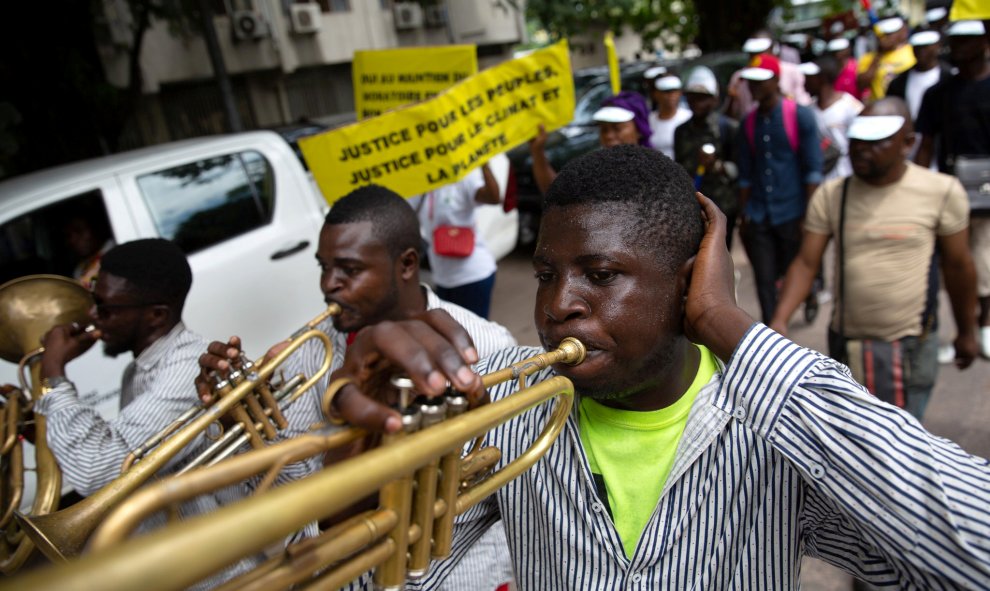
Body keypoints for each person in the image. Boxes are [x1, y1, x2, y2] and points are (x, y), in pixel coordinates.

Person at [325, 145, 990, 590]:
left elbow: (971, 552)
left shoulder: (772, 422)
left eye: (601, 274)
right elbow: (384, 580)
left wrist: (731, 326)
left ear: (686, 286)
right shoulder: (514, 395)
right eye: (548, 273)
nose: (557, 306)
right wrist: (361, 460)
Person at [196, 185, 517, 591]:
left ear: (406, 264)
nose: (329, 285)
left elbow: (504, 503)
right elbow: (293, 484)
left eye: (348, 270)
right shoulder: (308, 352)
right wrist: (237, 422)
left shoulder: (487, 347)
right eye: (323, 267)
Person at [35, 238, 261, 589]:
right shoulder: (138, 371)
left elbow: (101, 467)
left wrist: (53, 372)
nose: (92, 316)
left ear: (156, 314)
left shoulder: (188, 367)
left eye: (105, 308)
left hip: (219, 573)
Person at [769, 100, 978, 420]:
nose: (862, 151)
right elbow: (806, 263)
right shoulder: (833, 194)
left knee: (903, 445)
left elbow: (958, 266)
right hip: (848, 346)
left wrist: (967, 331)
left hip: (912, 347)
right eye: (857, 142)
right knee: (853, 442)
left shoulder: (941, 191)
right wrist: (781, 320)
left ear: (908, 144)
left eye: (876, 142)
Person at [915, 19, 990, 359]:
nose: (956, 49)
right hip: (951, 189)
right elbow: (926, 143)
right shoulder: (939, 93)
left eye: (965, 42)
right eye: (953, 42)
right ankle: (964, 327)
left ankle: (984, 324)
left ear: (983, 43)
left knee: (984, 258)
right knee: (954, 263)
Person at [735, 53, 823, 324]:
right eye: (751, 82)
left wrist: (809, 216)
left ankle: (809, 295)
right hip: (760, 212)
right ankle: (773, 333)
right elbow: (746, 174)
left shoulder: (799, 116)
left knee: (794, 269)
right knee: (764, 277)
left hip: (792, 210)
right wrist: (744, 215)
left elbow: (813, 170)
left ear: (776, 81)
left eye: (761, 82)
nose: (755, 88)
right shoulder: (748, 123)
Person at [411, 162, 502, 319]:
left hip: (473, 276)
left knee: (475, 337)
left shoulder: (464, 176)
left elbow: (493, 197)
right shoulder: (419, 184)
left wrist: (484, 164)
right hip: (442, 278)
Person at [529, 90, 651, 195]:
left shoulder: (654, 169)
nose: (608, 135)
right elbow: (556, 193)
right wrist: (537, 151)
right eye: (604, 129)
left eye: (617, 128)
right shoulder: (594, 169)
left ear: (639, 129)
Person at [673, 66, 739, 249]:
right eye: (692, 97)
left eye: (703, 97)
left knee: (719, 253)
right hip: (693, 206)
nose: (696, 102)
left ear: (714, 99)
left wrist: (716, 165)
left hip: (722, 206)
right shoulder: (681, 131)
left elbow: (740, 169)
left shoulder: (727, 128)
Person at [800, 56, 864, 180]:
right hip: (819, 176)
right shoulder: (808, 110)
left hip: (845, 174)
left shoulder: (851, 107)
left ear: (822, 79)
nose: (804, 84)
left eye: (808, 79)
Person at [726, 32, 811, 120]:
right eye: (752, 53)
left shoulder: (792, 71)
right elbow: (732, 114)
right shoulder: (739, 77)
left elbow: (803, 105)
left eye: (761, 52)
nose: (757, 58)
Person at [886, 30, 951, 123]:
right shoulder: (899, 82)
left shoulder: (949, 75)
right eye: (917, 47)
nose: (921, 51)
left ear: (937, 46)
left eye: (925, 47)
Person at [856, 16, 916, 101]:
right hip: (881, 108)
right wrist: (878, 55)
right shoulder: (868, 58)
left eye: (889, 34)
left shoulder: (913, 51)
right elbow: (861, 85)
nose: (885, 38)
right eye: (882, 35)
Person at [648, 74, 692, 159]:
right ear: (656, 94)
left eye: (674, 91)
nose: (671, 95)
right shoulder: (649, 119)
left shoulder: (688, 117)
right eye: (666, 92)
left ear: (680, 93)